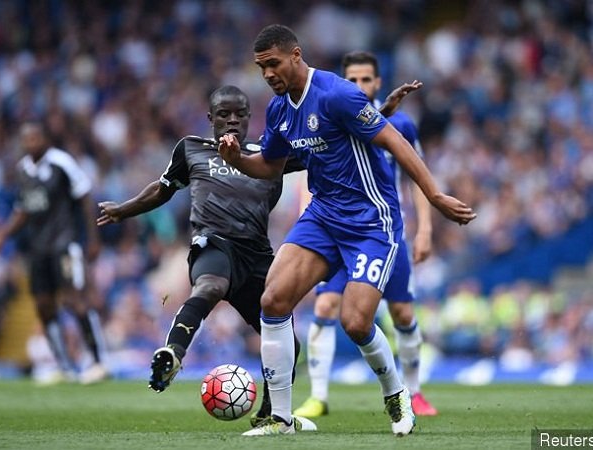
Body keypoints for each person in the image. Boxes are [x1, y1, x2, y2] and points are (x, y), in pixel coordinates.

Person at [218, 24, 476, 436]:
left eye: (273, 64)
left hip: (371, 220)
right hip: (323, 216)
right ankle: (281, 418)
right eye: (261, 67)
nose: (267, 74)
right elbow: (269, 165)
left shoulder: (336, 94)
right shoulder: (280, 109)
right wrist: (235, 160)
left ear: (296, 55)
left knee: (355, 323)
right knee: (273, 299)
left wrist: (435, 195)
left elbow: (394, 141)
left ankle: (396, 395)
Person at [97, 85, 314, 430]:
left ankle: (270, 416)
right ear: (211, 118)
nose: (232, 120)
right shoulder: (192, 149)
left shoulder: (269, 154)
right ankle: (173, 354)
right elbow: (162, 188)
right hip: (213, 244)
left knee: (288, 343)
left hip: (256, 256)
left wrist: (374, 120)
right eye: (224, 114)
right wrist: (124, 210)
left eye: (239, 114)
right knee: (211, 285)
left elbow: (323, 146)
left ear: (248, 118)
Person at [294, 51, 438, 419]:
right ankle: (319, 397)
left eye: (366, 80)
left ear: (377, 82)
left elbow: (416, 179)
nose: (359, 85)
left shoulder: (400, 125)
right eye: (352, 80)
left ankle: (415, 392)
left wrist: (425, 229)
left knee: (403, 313)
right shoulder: (329, 117)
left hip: (382, 231)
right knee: (325, 306)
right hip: (336, 229)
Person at [0, 121, 108, 384]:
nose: (31, 143)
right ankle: (65, 365)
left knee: (74, 300)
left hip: (65, 243)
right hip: (38, 248)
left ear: (46, 139)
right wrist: (2, 234)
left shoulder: (61, 163)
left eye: (35, 138)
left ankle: (98, 360)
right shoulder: (23, 169)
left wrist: (92, 237)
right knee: (44, 305)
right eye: (26, 139)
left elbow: (84, 197)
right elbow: (23, 209)